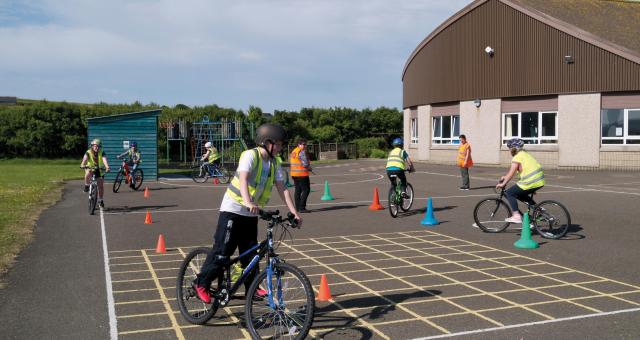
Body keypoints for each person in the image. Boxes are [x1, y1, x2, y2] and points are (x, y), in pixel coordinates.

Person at [193, 123, 302, 304]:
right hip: (233, 209)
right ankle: (201, 283)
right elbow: (243, 179)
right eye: (280, 144)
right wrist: (248, 201)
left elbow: (282, 189)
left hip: (251, 214)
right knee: (222, 252)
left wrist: (294, 212)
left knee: (250, 254)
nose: (282, 147)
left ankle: (252, 288)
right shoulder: (250, 155)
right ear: (268, 142)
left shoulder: (275, 162)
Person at [496, 138, 545, 223]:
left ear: (514, 148)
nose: (509, 150)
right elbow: (525, 170)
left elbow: (511, 172)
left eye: (510, 148)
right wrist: (505, 176)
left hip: (530, 181)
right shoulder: (525, 154)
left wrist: (503, 183)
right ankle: (539, 211)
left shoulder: (517, 157)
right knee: (519, 194)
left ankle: (516, 216)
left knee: (509, 193)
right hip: (538, 181)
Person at [80, 139, 111, 208]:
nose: (96, 147)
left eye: (98, 146)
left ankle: (100, 200)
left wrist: (107, 167)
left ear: (100, 147)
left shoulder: (102, 152)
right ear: (92, 146)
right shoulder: (88, 152)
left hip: (100, 170)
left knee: (100, 186)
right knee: (87, 173)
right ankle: (87, 185)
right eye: (95, 146)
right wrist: (82, 164)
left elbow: (104, 160)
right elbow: (84, 160)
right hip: (90, 168)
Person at [290, 138, 312, 213]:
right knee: (306, 190)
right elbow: (305, 163)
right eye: (303, 144)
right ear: (299, 144)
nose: (305, 146)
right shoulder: (301, 152)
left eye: (306, 144)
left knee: (298, 190)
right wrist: (309, 168)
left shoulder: (294, 151)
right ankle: (302, 207)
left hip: (294, 174)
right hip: (301, 174)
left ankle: (297, 207)